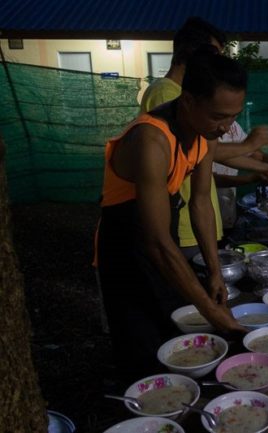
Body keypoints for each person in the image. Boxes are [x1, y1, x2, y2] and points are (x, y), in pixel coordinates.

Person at [97, 48, 249, 380]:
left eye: (233, 116)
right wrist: (210, 311)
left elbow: (200, 203)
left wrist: (215, 272)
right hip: (126, 247)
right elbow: (156, 241)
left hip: (159, 243)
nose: (226, 128)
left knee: (175, 334)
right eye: (218, 116)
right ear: (189, 101)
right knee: (141, 346)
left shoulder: (205, 136)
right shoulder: (151, 140)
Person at [140, 17, 268, 256]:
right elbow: (206, 152)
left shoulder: (196, 100)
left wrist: (267, 166)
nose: (224, 127)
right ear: (191, 53)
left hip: (203, 219)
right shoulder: (166, 95)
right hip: (180, 223)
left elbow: (208, 151)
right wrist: (250, 148)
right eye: (213, 54)